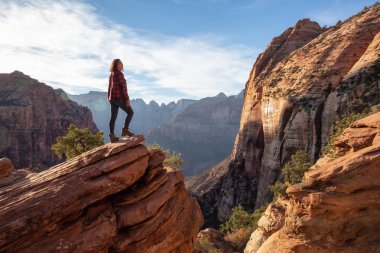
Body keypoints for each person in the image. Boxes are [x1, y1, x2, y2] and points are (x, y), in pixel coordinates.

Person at [108, 59, 134, 142]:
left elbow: (109, 87)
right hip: (119, 98)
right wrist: (127, 99)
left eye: (122, 63)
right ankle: (125, 130)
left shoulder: (111, 74)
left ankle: (112, 135)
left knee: (113, 116)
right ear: (116, 65)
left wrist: (109, 98)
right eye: (120, 63)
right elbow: (124, 88)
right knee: (130, 112)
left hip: (112, 98)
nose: (122, 65)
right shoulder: (119, 74)